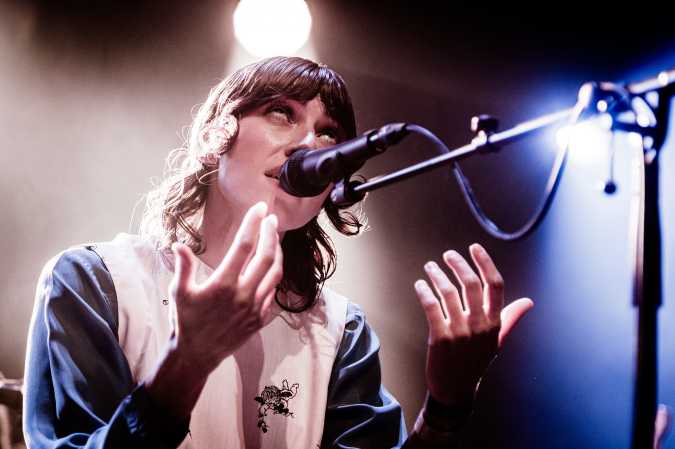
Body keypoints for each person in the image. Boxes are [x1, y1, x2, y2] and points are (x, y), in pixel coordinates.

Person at [22, 56, 533, 449]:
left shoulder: (341, 331)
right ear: (213, 134)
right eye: (280, 114)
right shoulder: (95, 280)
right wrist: (189, 360)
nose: (309, 145)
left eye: (328, 133)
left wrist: (447, 405)